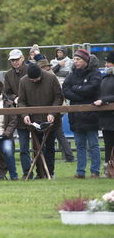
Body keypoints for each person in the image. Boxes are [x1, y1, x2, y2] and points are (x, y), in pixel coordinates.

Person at [18, 63, 64, 179]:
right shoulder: (23, 81)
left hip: (51, 120)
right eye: (31, 79)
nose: (34, 81)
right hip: (34, 121)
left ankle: (50, 172)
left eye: (36, 79)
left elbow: (58, 97)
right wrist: (25, 115)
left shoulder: (51, 78)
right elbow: (21, 101)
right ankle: (40, 173)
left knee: (50, 147)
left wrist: (52, 113)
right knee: (36, 148)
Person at [63, 49, 102, 179]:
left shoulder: (95, 74)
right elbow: (65, 90)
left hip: (91, 115)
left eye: (78, 59)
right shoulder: (72, 75)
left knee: (93, 145)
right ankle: (80, 172)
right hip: (76, 116)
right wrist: (81, 94)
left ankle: (95, 171)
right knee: (79, 145)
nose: (75, 61)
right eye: (74, 59)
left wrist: (76, 90)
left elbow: (92, 90)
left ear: (85, 60)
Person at [35, 53, 74, 162]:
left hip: (55, 109)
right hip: (56, 108)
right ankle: (69, 156)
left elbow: (56, 95)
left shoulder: (49, 77)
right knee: (58, 134)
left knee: (57, 133)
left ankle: (69, 156)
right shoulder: (50, 75)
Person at [3, 49, 32, 178]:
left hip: (34, 111)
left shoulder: (31, 70)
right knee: (24, 147)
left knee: (39, 146)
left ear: (22, 58)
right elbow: (6, 92)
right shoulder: (8, 75)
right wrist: (15, 98)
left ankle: (42, 172)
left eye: (16, 59)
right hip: (19, 114)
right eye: (12, 60)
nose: (15, 62)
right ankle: (27, 173)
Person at [94, 51, 114, 176]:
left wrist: (104, 100)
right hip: (106, 118)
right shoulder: (105, 78)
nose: (106, 65)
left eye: (109, 63)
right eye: (106, 62)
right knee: (108, 145)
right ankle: (108, 169)